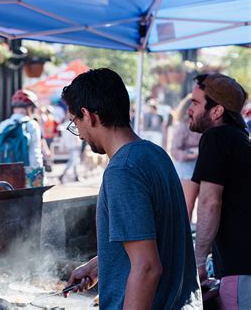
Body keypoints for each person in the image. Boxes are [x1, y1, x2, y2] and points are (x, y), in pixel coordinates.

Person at [62, 68, 201, 309]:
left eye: (76, 122)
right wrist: (99, 265)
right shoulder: (154, 153)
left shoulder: (122, 171)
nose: (80, 134)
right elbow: (152, 236)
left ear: (88, 115)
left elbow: (147, 267)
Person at [188, 73, 251, 308]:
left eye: (195, 103)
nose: (189, 109)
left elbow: (209, 202)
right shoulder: (237, 139)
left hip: (241, 267)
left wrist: (198, 262)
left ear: (217, 111)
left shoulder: (217, 137)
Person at [0, 89, 43, 186]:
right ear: (29, 108)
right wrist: (38, 177)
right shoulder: (31, 125)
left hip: (3, 176)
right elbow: (35, 153)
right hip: (24, 174)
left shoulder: (3, 125)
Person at [171, 96, 201, 220]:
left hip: (199, 165)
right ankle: (184, 237)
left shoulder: (202, 125)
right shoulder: (183, 127)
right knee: (187, 206)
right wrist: (191, 154)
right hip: (187, 168)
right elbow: (175, 150)